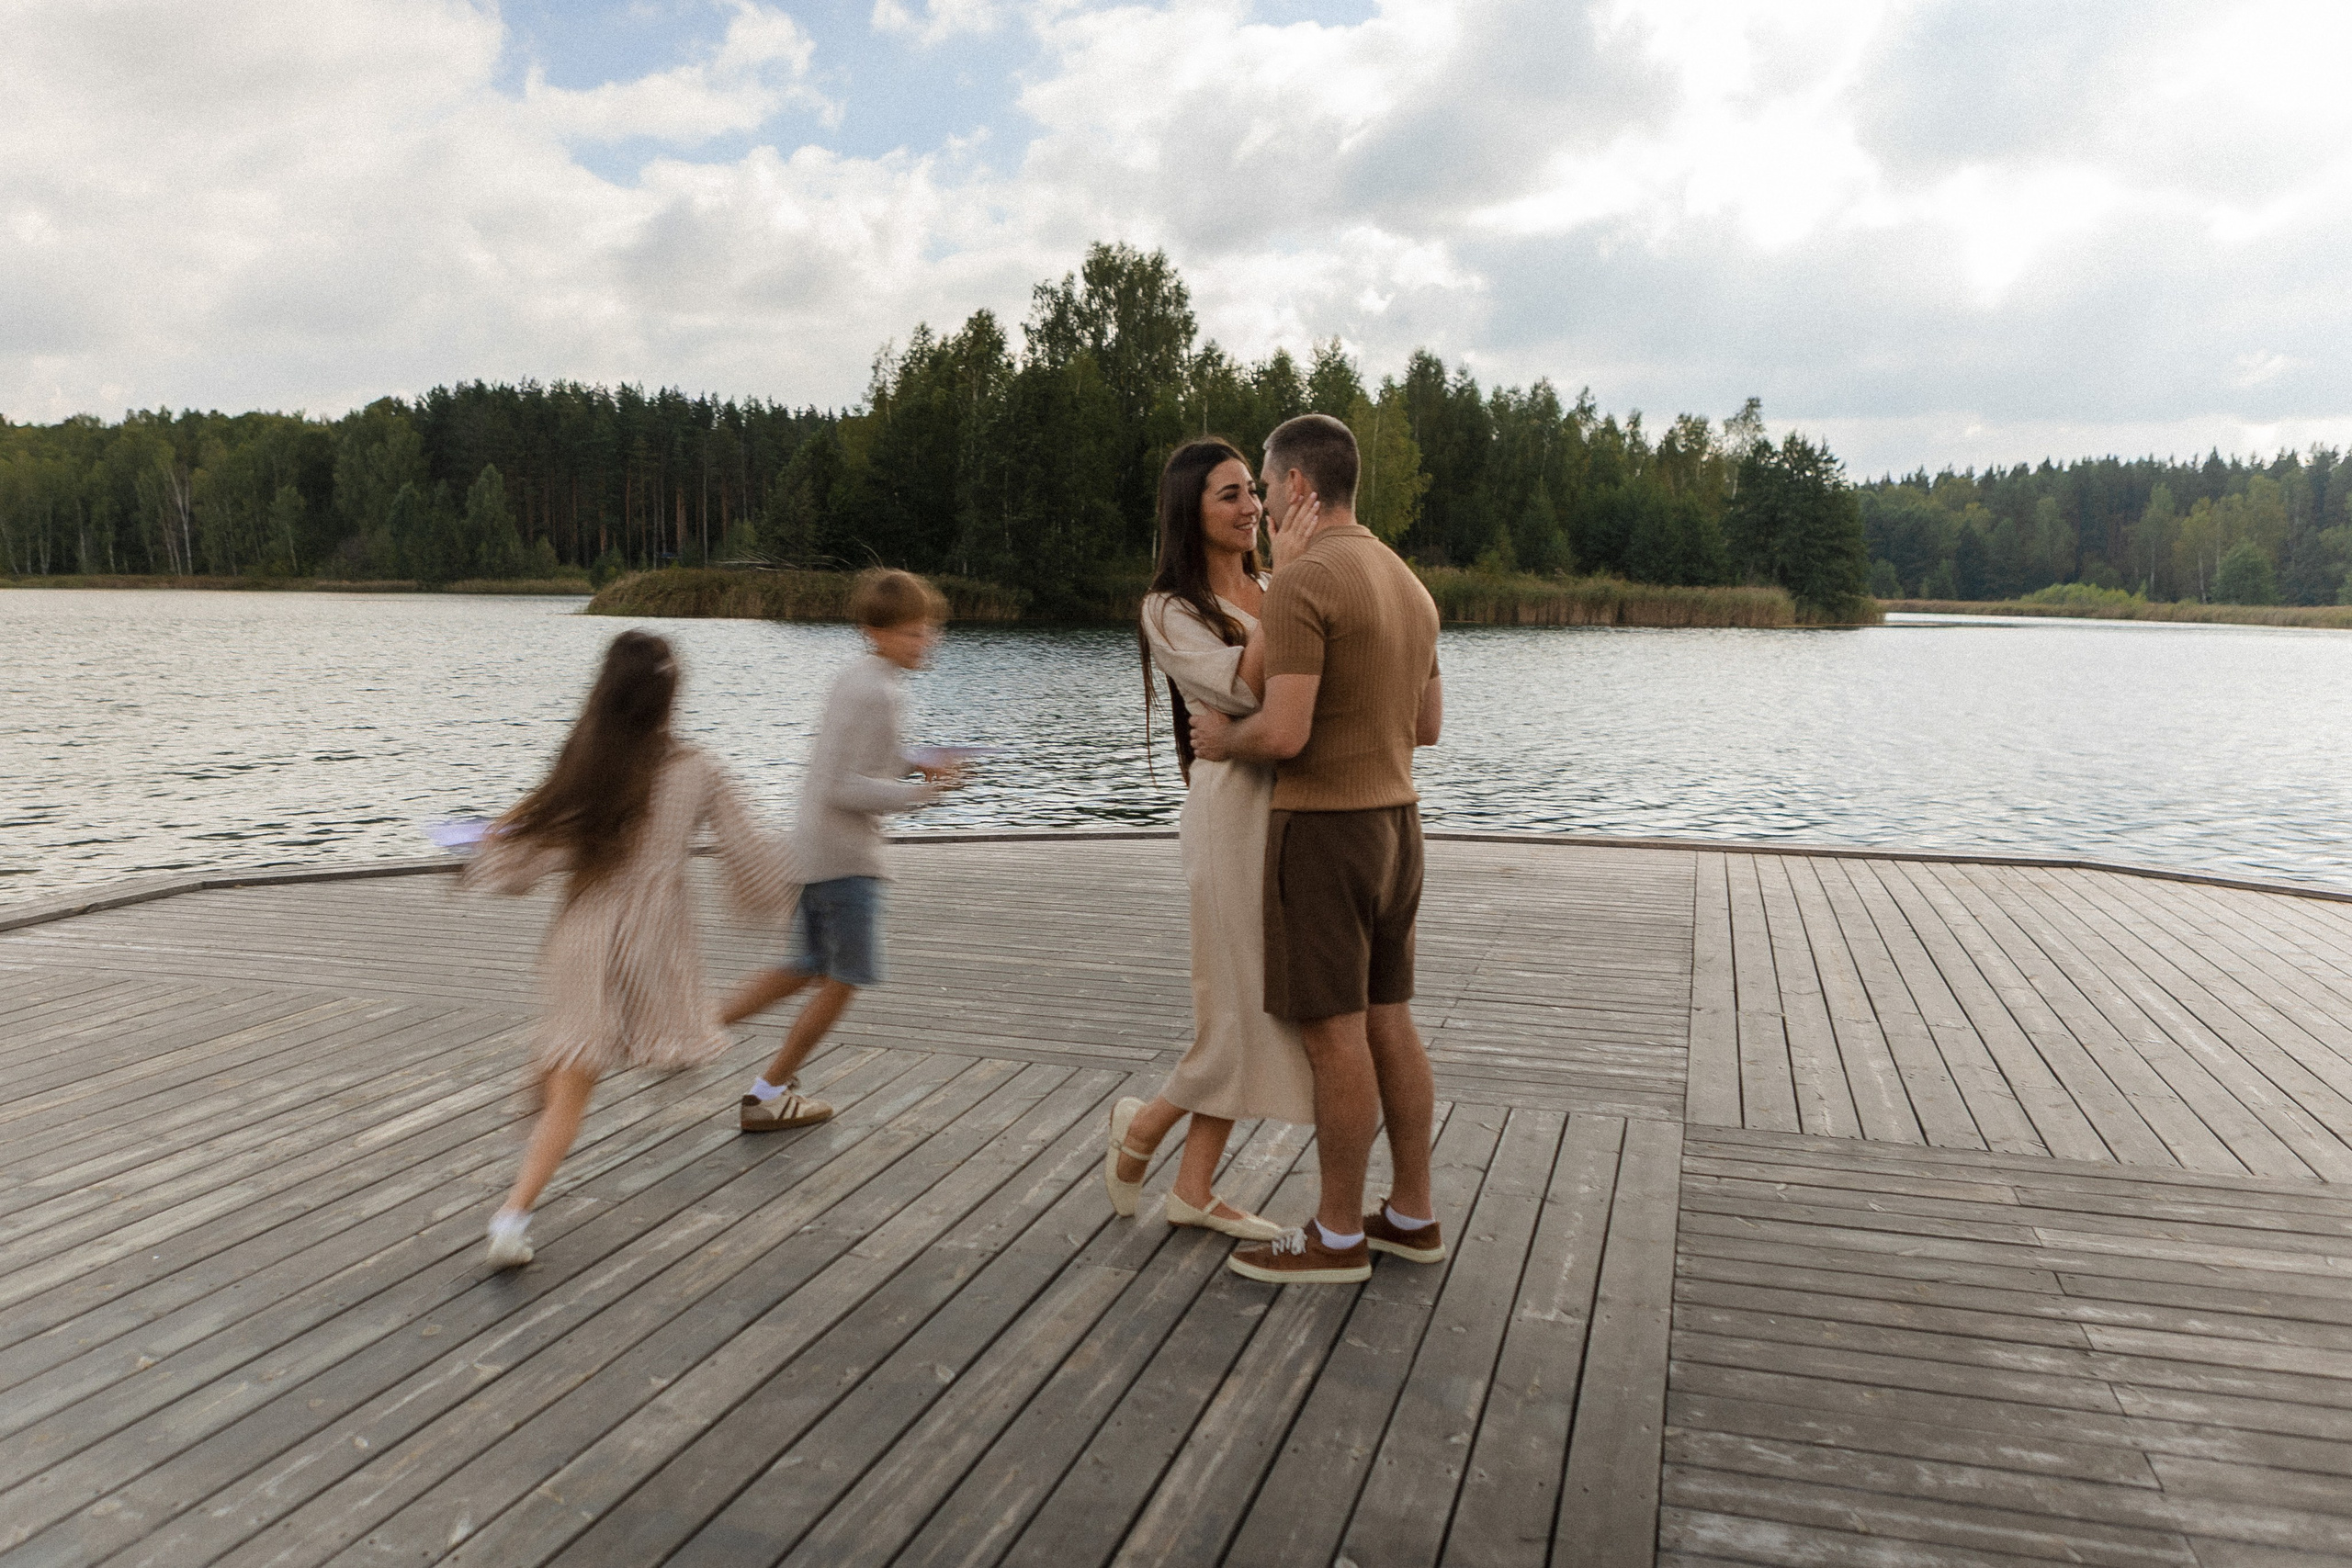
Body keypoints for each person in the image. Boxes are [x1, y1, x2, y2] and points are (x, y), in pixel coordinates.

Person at [1191, 412, 1445, 1286]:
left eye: (1265, 481)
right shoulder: (1407, 582)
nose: (1261, 498)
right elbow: (1428, 725)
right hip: (1400, 826)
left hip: (1327, 831)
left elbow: (1288, 730)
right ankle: (1410, 1212)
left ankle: (1336, 1235)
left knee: (1334, 1040)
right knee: (1390, 1022)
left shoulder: (1304, 582)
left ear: (1300, 485)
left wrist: (1225, 743)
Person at [465, 630, 797, 1269]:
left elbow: (529, 852)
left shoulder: (587, 763)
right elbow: (750, 850)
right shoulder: (697, 768)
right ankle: (511, 1211)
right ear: (672, 698)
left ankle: (515, 1209)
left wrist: (492, 841)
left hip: (584, 939)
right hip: (649, 943)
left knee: (570, 1072)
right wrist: (787, 892)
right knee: (577, 1069)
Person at [1108, 439, 1325, 1243]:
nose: (1250, 508)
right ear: (1189, 512)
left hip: (1287, 805)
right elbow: (1239, 686)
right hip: (1228, 810)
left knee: (1254, 1002)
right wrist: (1293, 585)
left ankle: (1188, 1181)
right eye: (1229, 495)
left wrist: (1288, 585)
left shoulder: (1272, 586)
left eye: (1251, 492)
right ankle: (1146, 1128)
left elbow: (1294, 695)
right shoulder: (1167, 607)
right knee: (1235, 1003)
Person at [720, 568, 962, 1131]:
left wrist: (915, 763)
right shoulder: (880, 690)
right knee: (845, 978)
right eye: (910, 633)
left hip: (812, 851)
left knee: (804, 966)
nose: (924, 642)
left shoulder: (858, 678)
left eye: (928, 631)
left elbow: (858, 760)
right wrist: (926, 795)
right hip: (847, 859)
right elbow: (845, 787)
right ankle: (768, 1093)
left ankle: (693, 1031)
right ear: (872, 632)